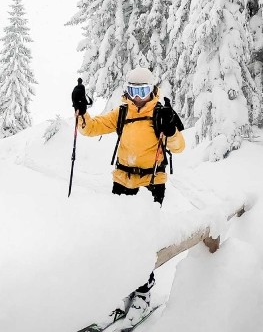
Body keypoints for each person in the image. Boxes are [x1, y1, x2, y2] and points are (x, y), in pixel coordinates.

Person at [74, 66, 185, 326]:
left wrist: (170, 129)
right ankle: (122, 289)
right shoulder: (122, 112)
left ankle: (143, 293)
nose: (137, 97)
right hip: (122, 180)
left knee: (143, 238)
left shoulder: (160, 113)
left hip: (151, 182)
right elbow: (90, 128)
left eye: (143, 91)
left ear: (152, 90)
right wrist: (80, 108)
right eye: (133, 90)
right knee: (119, 235)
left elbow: (179, 147)